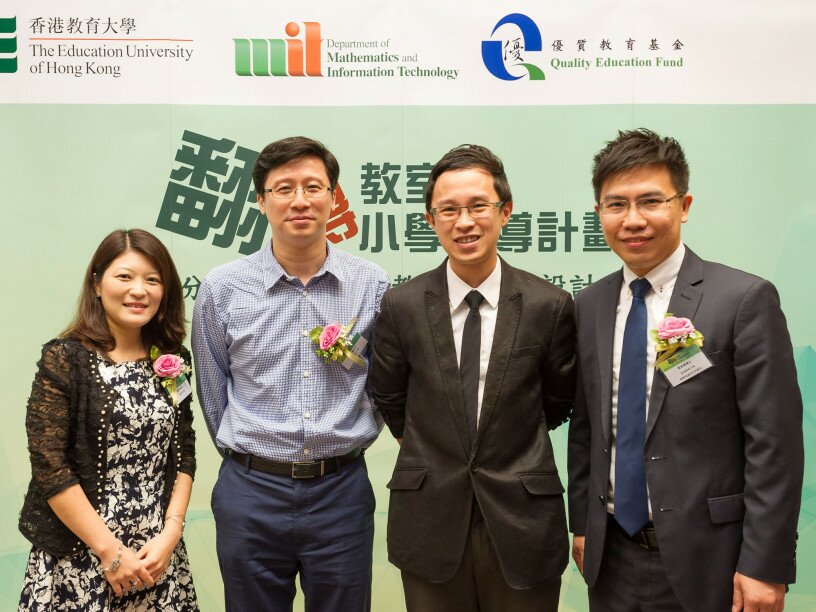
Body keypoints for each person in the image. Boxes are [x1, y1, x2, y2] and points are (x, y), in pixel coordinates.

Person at [567, 128, 804, 611]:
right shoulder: (588, 305)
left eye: (650, 201)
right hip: (610, 557)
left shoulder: (741, 300)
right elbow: (587, 428)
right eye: (616, 205)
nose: (633, 220)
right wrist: (582, 524)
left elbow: (774, 445)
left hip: (711, 560)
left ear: (684, 205)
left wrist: (765, 564)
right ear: (599, 213)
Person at [370, 144, 575, 611]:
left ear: (505, 212)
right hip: (429, 518)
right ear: (431, 220)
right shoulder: (401, 305)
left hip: (523, 519)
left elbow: (558, 402)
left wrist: (503, 437)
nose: (464, 222)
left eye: (478, 206)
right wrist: (438, 444)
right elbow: (389, 395)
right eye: (449, 210)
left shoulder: (550, 305)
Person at [192, 136, 389, 612]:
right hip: (251, 492)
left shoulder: (372, 286)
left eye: (313, 187)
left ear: (333, 197)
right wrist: (253, 462)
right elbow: (212, 391)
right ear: (261, 201)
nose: (299, 200)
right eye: (283, 188)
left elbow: (384, 382)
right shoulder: (222, 289)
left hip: (340, 491)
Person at [18, 229, 198, 611]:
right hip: (81, 556)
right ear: (97, 284)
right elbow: (50, 465)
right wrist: (111, 552)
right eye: (125, 276)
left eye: (153, 280)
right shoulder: (65, 359)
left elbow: (184, 451)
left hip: (156, 559)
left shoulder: (172, 360)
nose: (139, 290)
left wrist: (171, 534)